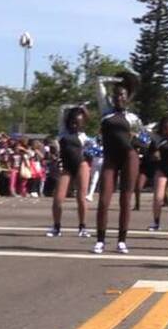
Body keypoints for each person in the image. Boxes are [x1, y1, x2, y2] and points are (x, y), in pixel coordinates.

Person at [92, 71, 142, 254]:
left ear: (128, 98)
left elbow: (144, 139)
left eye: (122, 95)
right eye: (116, 95)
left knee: (125, 200)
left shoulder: (133, 118)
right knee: (104, 200)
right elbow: (98, 80)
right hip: (110, 158)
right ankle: (100, 240)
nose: (118, 98)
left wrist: (137, 141)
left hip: (129, 157)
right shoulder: (106, 111)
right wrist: (118, 80)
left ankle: (122, 241)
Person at [49, 107, 91, 237]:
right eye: (73, 121)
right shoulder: (63, 133)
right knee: (58, 199)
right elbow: (62, 113)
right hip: (67, 167)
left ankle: (82, 227)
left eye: (78, 122)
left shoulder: (84, 137)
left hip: (81, 165)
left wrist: (84, 110)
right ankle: (56, 227)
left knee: (81, 198)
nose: (75, 124)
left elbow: (88, 118)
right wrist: (77, 108)